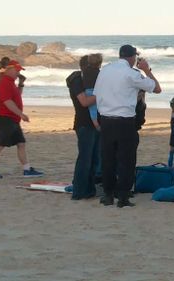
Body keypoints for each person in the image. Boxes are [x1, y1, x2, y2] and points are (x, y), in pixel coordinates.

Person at [94, 44, 161, 208]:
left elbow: (97, 94)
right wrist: (146, 69)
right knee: (126, 159)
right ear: (132, 57)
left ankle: (108, 195)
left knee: (108, 158)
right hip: (124, 120)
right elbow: (157, 88)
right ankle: (123, 196)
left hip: (106, 119)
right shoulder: (132, 74)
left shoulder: (105, 71)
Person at [0, 60, 43, 179]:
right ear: (9, 69)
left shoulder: (11, 82)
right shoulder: (5, 82)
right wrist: (21, 114)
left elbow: (16, 96)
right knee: (0, 144)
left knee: (21, 143)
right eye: (17, 70)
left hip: (13, 119)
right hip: (6, 118)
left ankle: (27, 169)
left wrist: (21, 83)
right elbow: (7, 101)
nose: (18, 72)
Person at [66, 55, 100, 200]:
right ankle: (79, 191)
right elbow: (84, 102)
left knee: (94, 159)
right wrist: (103, 94)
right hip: (84, 123)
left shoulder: (89, 79)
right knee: (85, 159)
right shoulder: (77, 80)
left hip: (95, 123)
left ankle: (89, 189)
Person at [83, 53, 103, 130]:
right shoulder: (99, 73)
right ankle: (97, 125)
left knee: (92, 109)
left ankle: (95, 123)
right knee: (95, 108)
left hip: (87, 90)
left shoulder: (85, 71)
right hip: (96, 91)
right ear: (100, 63)